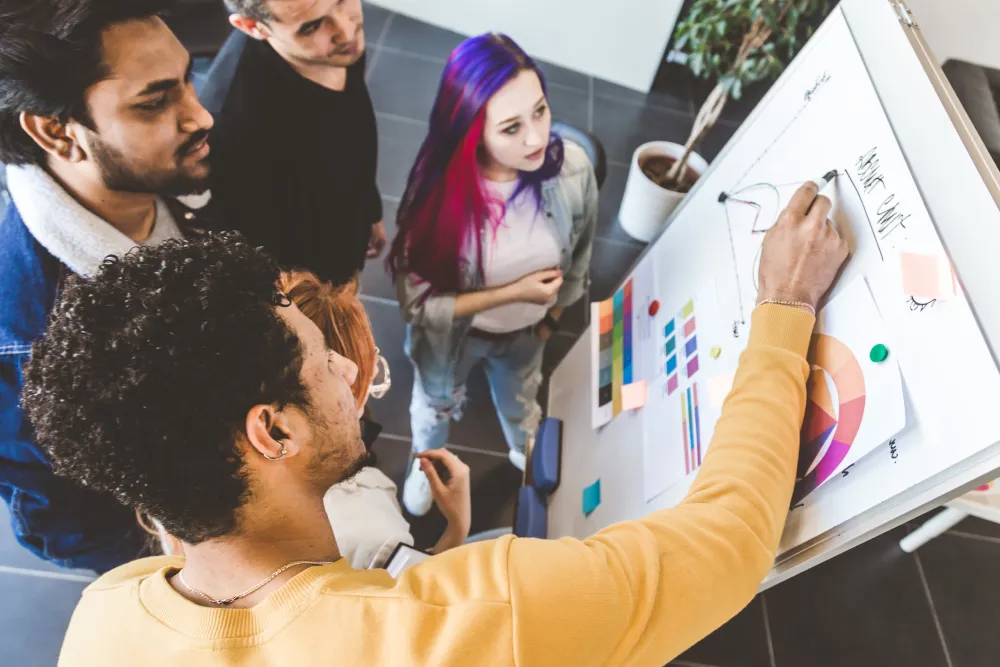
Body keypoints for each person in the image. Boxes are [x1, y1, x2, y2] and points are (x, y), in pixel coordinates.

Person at [27, 178, 846, 666]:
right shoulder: (486, 618)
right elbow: (731, 541)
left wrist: (440, 551)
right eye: (324, 362)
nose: (351, 371)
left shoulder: (106, 614)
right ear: (273, 432)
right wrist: (784, 305)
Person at [0, 0, 215, 572]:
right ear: (57, 132)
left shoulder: (187, 172)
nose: (201, 116)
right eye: (154, 102)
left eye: (190, 80)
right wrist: (186, 571)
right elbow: (66, 518)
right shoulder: (28, 335)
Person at [386, 34, 598, 516]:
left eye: (540, 111)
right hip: (453, 339)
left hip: (527, 333)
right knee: (433, 411)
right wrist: (513, 293)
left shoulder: (573, 170)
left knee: (523, 403)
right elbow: (418, 305)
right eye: (511, 127)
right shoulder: (438, 198)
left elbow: (581, 252)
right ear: (471, 132)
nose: (537, 138)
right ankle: (427, 467)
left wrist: (551, 317)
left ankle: (524, 454)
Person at [280, 272, 473, 567]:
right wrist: (457, 528)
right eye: (335, 368)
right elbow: (411, 596)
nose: (355, 373)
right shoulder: (372, 534)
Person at [199, 0, 384, 287]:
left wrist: (369, 211)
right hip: (308, 274)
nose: (347, 31)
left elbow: (354, 129)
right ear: (253, 27)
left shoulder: (336, 46)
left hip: (347, 221)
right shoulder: (233, 124)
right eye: (311, 26)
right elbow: (255, 248)